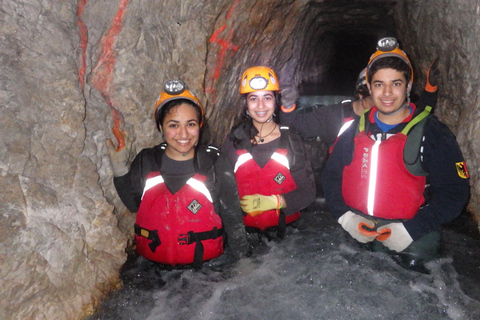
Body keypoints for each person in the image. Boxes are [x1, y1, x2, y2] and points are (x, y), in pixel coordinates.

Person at [321, 37, 470, 271]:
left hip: (411, 237)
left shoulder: (432, 134)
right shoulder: (355, 130)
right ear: (369, 87)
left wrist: (412, 230)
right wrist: (346, 218)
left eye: (396, 84)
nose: (387, 93)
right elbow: (330, 177)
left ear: (408, 86)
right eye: (379, 84)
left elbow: (455, 192)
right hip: (359, 232)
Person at [106, 80, 249, 269]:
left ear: (200, 125)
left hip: (207, 271)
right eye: (173, 125)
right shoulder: (147, 160)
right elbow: (133, 204)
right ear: (161, 127)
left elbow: (232, 217)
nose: (183, 134)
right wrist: (119, 169)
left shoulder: (215, 162)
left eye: (190, 124)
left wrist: (243, 262)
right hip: (156, 273)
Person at [222, 66, 316, 241]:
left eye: (267, 97)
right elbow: (221, 191)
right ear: (245, 104)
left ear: (276, 100)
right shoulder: (234, 142)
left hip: (287, 237)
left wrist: (275, 202)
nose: (260, 106)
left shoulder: (291, 141)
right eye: (253, 99)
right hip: (244, 236)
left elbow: (308, 192)